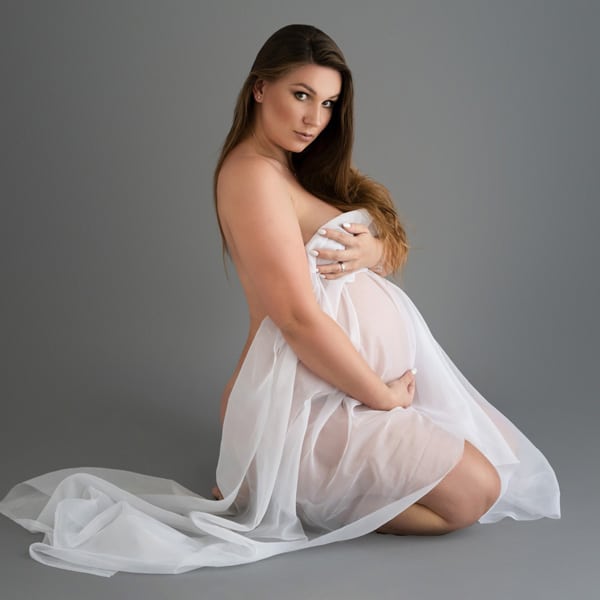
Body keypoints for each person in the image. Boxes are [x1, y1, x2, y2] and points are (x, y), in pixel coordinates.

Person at [0, 24, 560, 577]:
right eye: (300, 95)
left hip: (342, 391)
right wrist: (383, 399)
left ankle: (283, 485)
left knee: (496, 468)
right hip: (310, 404)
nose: (314, 118)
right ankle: (283, 489)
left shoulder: (296, 170)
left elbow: (379, 247)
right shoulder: (250, 176)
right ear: (259, 88)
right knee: (476, 494)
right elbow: (294, 317)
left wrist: (374, 251)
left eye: (329, 103)